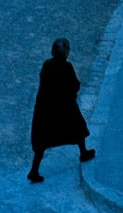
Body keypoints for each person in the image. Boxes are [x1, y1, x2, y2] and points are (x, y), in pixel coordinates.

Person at [27, 37, 95, 183]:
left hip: (45, 109)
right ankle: (83, 152)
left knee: (42, 140)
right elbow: (75, 85)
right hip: (64, 107)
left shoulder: (47, 65)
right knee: (77, 127)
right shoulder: (67, 67)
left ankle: (34, 170)